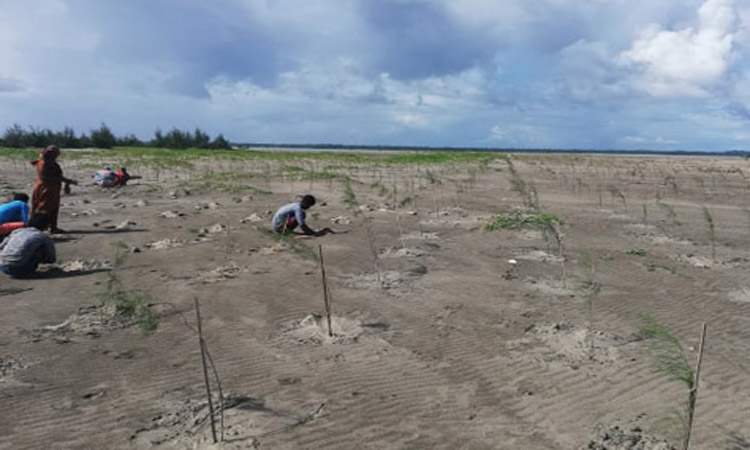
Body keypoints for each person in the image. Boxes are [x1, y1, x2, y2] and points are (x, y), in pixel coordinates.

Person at [30, 145, 77, 233]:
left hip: (47, 187)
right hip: (47, 188)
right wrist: (68, 181)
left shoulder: (43, 161)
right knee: (44, 208)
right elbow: (48, 177)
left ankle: (52, 227)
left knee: (52, 207)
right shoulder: (45, 164)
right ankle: (38, 227)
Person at [0, 213, 56, 278]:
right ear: (45, 226)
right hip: (19, 267)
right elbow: (52, 257)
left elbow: (2, 246)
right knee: (41, 246)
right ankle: (27, 269)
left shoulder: (17, 231)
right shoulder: (42, 237)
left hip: (2, 266)